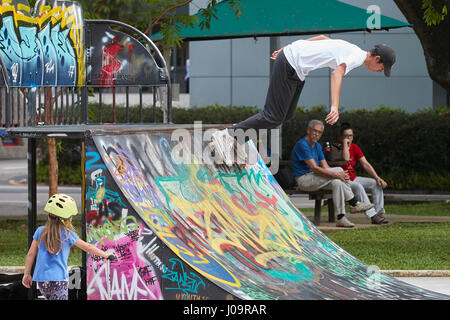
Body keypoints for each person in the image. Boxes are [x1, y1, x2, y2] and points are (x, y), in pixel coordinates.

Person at [211, 35, 396, 165]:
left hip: (296, 67)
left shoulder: (354, 50)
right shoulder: (356, 57)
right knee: (273, 115)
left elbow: (323, 39)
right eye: (383, 68)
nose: (381, 71)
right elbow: (337, 73)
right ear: (377, 59)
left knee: (286, 115)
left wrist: (287, 48)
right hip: (290, 63)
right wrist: (334, 106)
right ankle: (226, 135)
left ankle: (237, 139)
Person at [22, 193, 116, 300]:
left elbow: (30, 254)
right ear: (67, 219)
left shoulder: (40, 231)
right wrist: (105, 254)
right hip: (58, 281)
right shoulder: (67, 234)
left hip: (42, 281)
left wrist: (26, 274)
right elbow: (88, 247)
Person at [292, 120, 374, 228]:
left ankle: (341, 218)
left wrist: (338, 176)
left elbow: (326, 167)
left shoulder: (317, 146)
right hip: (304, 180)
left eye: (319, 132)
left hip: (315, 178)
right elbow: (315, 168)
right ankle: (353, 203)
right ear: (308, 130)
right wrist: (337, 174)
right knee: (338, 172)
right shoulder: (302, 145)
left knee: (337, 182)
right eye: (314, 131)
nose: (317, 134)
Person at [338, 123, 388, 224]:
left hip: (353, 178)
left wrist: (377, 177)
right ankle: (373, 215)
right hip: (342, 180)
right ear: (341, 137)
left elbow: (365, 164)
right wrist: (345, 145)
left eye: (351, 135)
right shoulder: (336, 148)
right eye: (346, 136)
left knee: (375, 183)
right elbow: (345, 158)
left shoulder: (355, 147)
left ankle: (379, 213)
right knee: (358, 186)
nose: (349, 138)